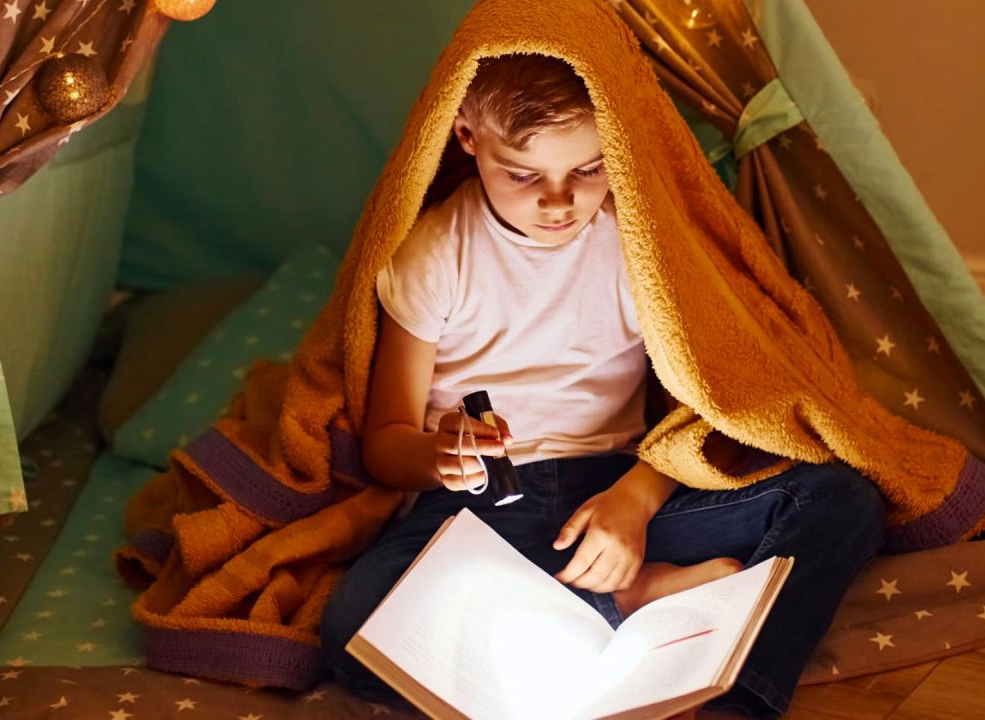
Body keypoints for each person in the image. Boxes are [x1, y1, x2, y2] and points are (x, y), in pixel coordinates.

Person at [319, 54, 885, 720]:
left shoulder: (636, 244)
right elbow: (386, 441)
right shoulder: (434, 254)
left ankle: (734, 697)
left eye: (587, 170)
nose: (559, 200)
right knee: (355, 624)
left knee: (840, 497)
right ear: (467, 137)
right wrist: (437, 455)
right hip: (486, 514)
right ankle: (630, 601)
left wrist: (638, 500)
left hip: (619, 487)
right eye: (524, 174)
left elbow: (715, 396)